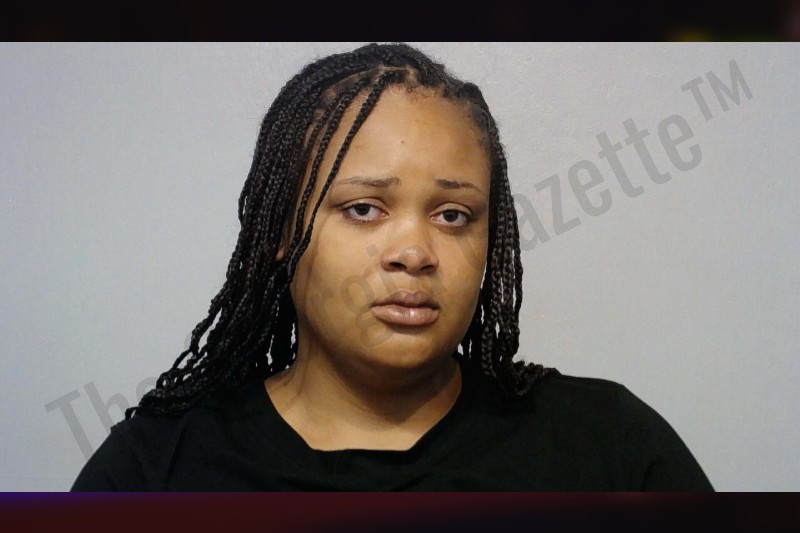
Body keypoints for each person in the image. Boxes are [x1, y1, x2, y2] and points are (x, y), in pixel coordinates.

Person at [71, 43, 713, 491]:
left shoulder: (607, 449)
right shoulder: (155, 469)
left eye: (453, 215)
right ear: (281, 232)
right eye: (363, 209)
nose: (414, 252)